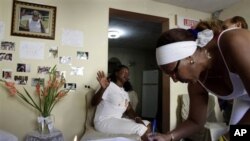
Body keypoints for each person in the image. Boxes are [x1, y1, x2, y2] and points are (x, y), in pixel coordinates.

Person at [148, 19, 250, 141]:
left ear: (189, 58)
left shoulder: (234, 42)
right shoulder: (197, 81)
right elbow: (195, 121)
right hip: (245, 99)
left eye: (174, 72)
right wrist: (168, 136)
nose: (174, 80)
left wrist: (228, 137)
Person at [92, 65, 151, 140]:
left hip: (117, 120)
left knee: (147, 124)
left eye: (128, 73)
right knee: (141, 128)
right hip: (103, 121)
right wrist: (102, 89)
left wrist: (137, 118)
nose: (126, 74)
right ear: (116, 73)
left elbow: (129, 109)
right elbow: (93, 103)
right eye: (124, 72)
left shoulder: (124, 91)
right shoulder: (108, 85)